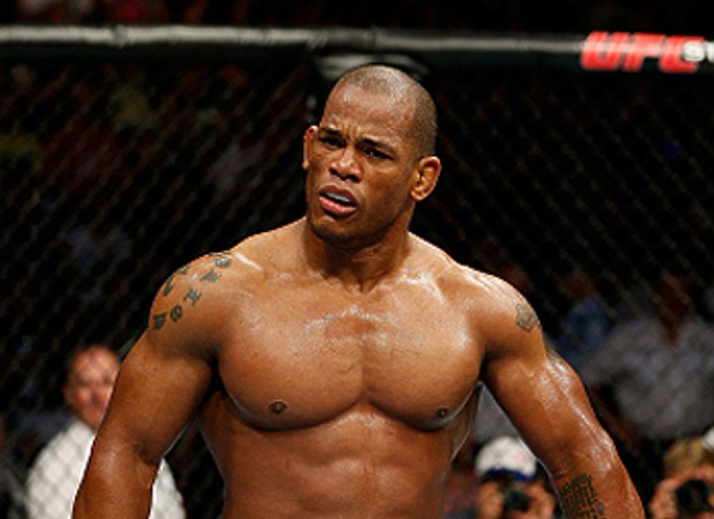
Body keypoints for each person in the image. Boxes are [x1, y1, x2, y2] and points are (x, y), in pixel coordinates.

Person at [73, 64, 644, 518]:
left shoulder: (478, 309)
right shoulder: (217, 293)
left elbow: (581, 457)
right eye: (331, 141)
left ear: (422, 178)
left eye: (374, 152)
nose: (343, 166)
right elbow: (127, 453)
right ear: (308, 147)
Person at [579, 270, 714, 500]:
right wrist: (615, 425)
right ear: (655, 296)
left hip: (697, 446)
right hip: (642, 446)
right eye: (668, 292)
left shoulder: (707, 338)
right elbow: (586, 380)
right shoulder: (630, 338)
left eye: (681, 292)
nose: (674, 300)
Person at [26, 344, 185, 519]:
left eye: (107, 382)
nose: (98, 395)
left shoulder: (144, 446)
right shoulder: (54, 463)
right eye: (85, 385)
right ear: (69, 394)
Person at [473, 436, 557, 519]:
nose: (507, 495)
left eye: (512, 484)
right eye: (500, 488)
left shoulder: (536, 508)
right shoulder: (468, 512)